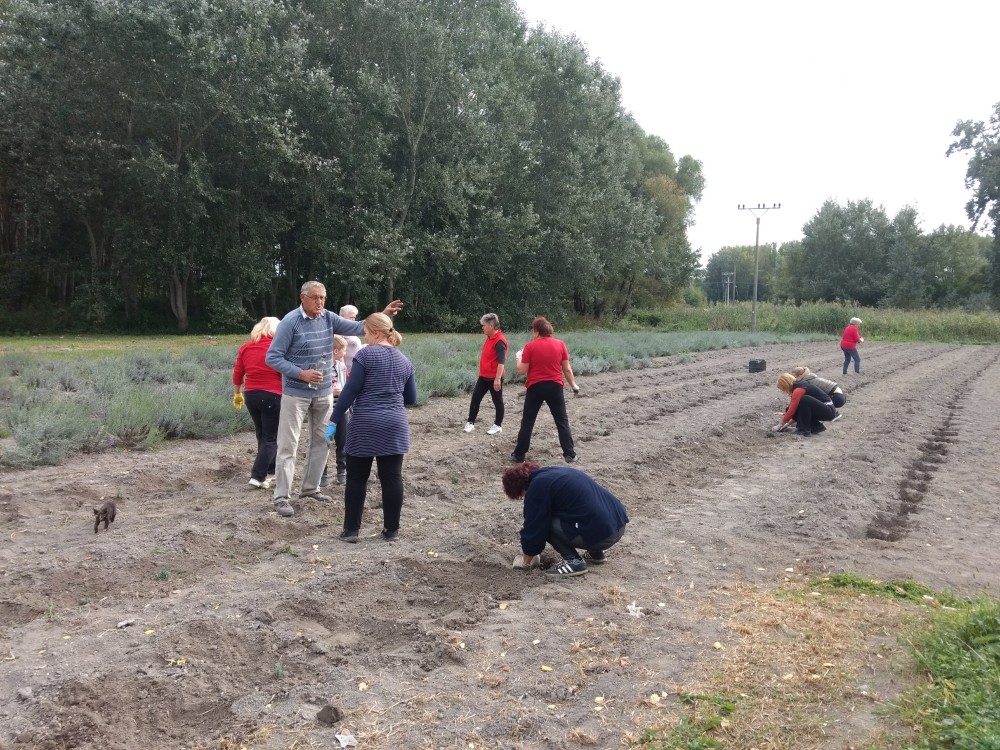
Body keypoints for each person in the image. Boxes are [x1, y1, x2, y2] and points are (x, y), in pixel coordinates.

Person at [265, 282, 403, 518]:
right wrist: (300, 373)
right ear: (303, 297)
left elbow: (362, 327)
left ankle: (310, 489)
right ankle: (281, 498)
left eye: (323, 298)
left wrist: (384, 313)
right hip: (296, 393)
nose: (320, 302)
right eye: (315, 298)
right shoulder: (290, 322)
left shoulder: (328, 318)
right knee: (289, 445)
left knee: (322, 441)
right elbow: (273, 357)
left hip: (323, 392)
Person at [329, 312, 417, 543]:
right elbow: (411, 398)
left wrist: (333, 420)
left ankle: (351, 531)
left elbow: (350, 390)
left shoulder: (365, 355)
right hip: (395, 424)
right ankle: (392, 531)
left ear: (376, 333)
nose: (365, 336)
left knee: (357, 478)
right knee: (392, 477)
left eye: (366, 332)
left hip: (365, 423)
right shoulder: (404, 361)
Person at [502, 462, 628, 578]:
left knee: (545, 522)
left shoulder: (537, 487)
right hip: (617, 526)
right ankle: (596, 553)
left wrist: (526, 561)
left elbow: (534, 527)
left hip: (602, 537)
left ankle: (573, 561)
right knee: (576, 510)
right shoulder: (553, 473)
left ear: (518, 488)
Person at [511, 316, 580, 464]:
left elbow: (522, 370)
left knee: (528, 421)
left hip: (535, 387)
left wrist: (518, 357)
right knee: (561, 421)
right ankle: (570, 454)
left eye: (532, 330)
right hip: (555, 387)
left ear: (536, 331)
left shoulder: (530, 346)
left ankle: (519, 454)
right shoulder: (560, 344)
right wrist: (573, 385)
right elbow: (566, 369)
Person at [232, 317, 282, 489]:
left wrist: (237, 393)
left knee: (262, 434)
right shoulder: (277, 347)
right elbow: (283, 372)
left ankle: (270, 471)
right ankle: (258, 476)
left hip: (251, 394)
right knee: (271, 437)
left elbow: (238, 372)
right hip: (272, 395)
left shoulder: (246, 347)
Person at [463, 313, 508, 435]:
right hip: (483, 376)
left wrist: (498, 379)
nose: (482, 327)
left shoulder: (500, 341)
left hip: (494, 377)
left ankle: (498, 425)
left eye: (484, 325)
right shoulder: (489, 337)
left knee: (497, 401)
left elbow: (501, 362)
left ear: (491, 326)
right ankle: (470, 422)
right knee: (475, 398)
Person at [320, 335, 350, 487]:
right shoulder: (321, 368)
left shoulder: (341, 367)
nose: (346, 353)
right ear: (336, 351)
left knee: (343, 442)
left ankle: (342, 472)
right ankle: (322, 474)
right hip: (325, 411)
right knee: (323, 442)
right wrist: (331, 393)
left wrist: (343, 393)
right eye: (344, 350)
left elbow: (346, 386)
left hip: (342, 410)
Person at [774, 372, 838, 437]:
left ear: (785, 385)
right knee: (800, 404)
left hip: (829, 411)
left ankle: (804, 430)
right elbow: (797, 411)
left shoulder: (798, 390)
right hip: (826, 409)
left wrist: (780, 424)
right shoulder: (800, 386)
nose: (783, 391)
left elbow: (792, 410)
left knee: (804, 399)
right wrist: (787, 424)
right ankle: (815, 426)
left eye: (782, 388)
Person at [339, 304, 365, 372]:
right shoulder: (340, 332)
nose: (353, 320)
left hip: (356, 368)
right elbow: (339, 351)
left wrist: (363, 346)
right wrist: (344, 371)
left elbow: (352, 347)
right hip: (348, 370)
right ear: (342, 317)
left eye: (354, 317)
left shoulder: (350, 331)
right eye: (351, 317)